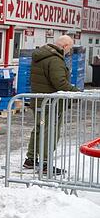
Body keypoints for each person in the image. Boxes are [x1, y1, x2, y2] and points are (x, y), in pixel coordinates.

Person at [24, 35, 78, 174]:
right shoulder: (55, 60)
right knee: (50, 131)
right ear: (65, 46)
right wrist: (76, 93)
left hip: (39, 101)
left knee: (39, 128)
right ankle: (45, 163)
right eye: (70, 48)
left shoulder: (42, 56)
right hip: (51, 103)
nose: (69, 51)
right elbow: (60, 83)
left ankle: (31, 159)